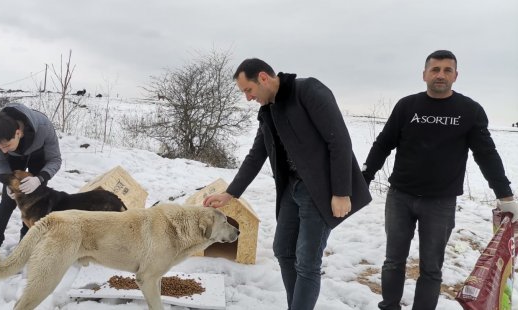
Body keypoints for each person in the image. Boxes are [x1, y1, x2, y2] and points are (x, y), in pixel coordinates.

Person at [203, 58, 372, 310]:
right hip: (292, 189)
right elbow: (256, 154)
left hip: (321, 191)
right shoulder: (269, 111)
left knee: (307, 262)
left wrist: (341, 192)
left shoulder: (308, 91)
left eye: (248, 90)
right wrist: (231, 193)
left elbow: (340, 141)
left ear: (263, 77)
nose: (248, 98)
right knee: (283, 250)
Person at [362, 50, 518, 310]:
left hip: (440, 203)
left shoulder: (469, 110)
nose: (440, 75)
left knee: (431, 268)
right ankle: (389, 306)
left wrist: (505, 195)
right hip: (400, 196)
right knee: (393, 261)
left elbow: (486, 154)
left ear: (456, 76)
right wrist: (363, 179)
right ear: (424, 74)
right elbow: (383, 145)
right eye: (435, 69)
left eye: (447, 70)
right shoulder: (407, 106)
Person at [0, 102, 61, 263]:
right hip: (13, 160)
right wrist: (6, 182)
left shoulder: (44, 127)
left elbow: (55, 159)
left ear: (18, 133)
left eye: (6, 145)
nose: (3, 149)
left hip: (38, 155)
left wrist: (40, 179)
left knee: (34, 204)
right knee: (7, 202)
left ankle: (24, 247)